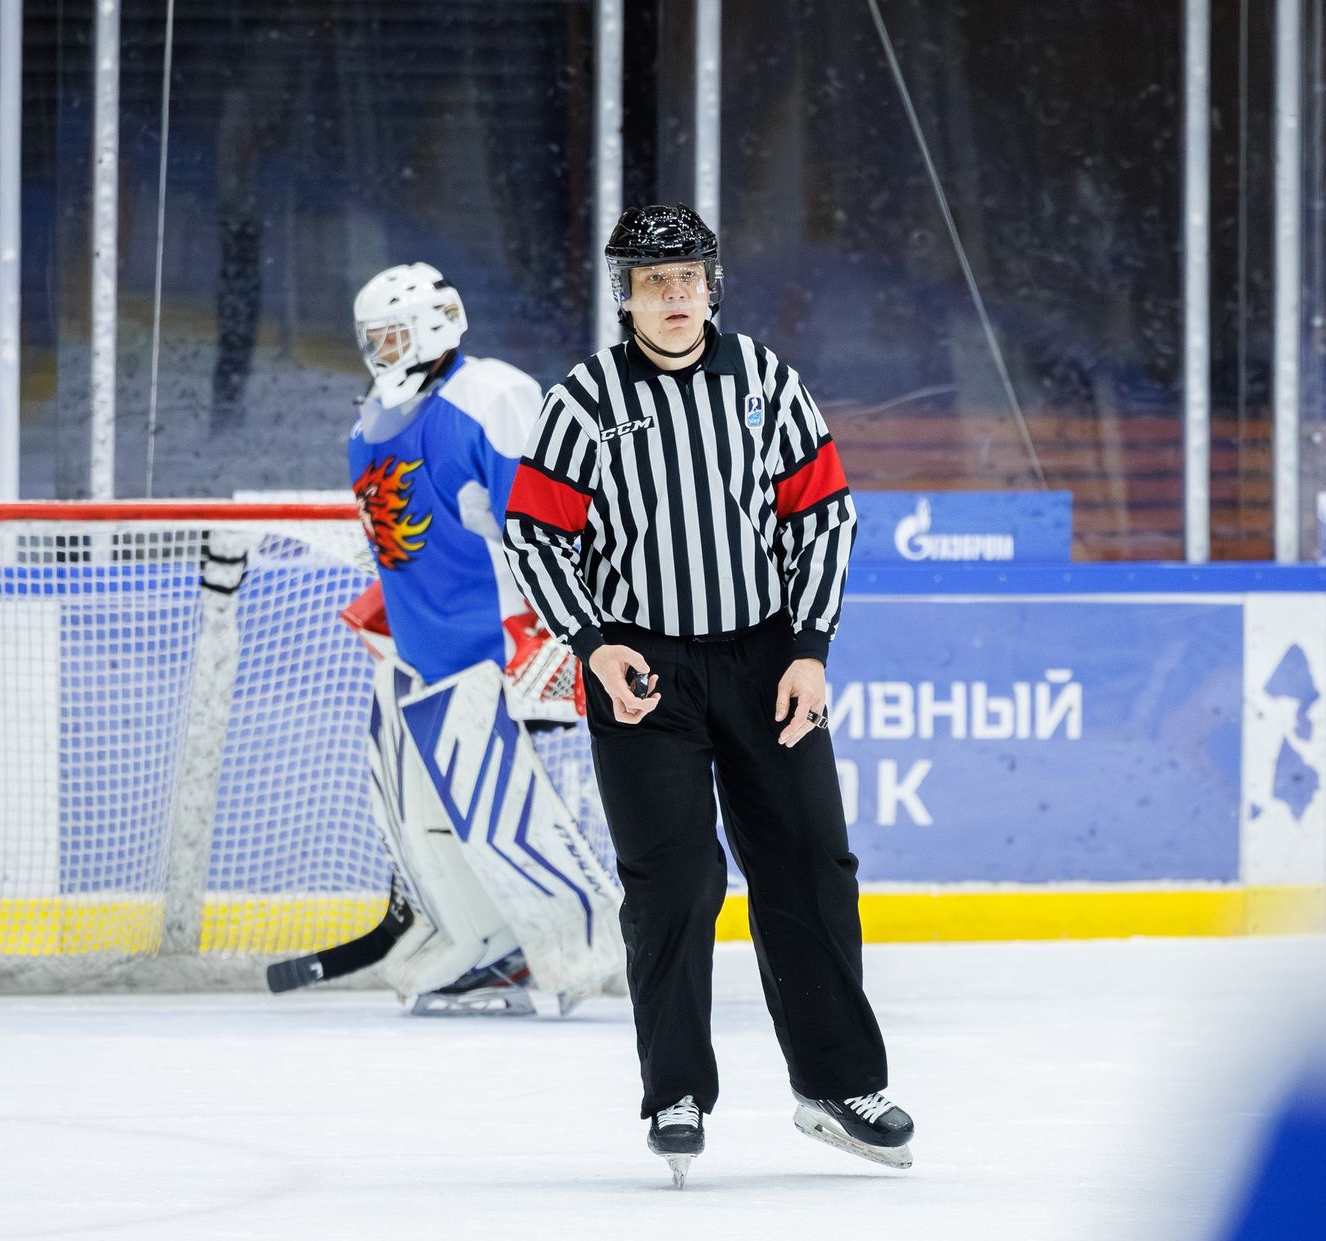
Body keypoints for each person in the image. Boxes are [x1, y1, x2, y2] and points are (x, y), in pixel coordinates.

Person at [502, 205, 913, 1185]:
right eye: (654, 282)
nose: (674, 296)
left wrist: (809, 649)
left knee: (810, 863)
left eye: (687, 277)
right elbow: (534, 532)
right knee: (676, 879)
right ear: (627, 297)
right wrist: (594, 645)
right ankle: (676, 1092)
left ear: (712, 285)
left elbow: (823, 517)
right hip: (644, 670)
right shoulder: (585, 402)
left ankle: (839, 1084)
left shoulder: (767, 383)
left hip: (767, 659)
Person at [339, 262, 625, 1016]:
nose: (378, 351)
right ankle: (489, 945)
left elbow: (547, 518)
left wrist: (559, 627)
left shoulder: (491, 394)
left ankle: (585, 949)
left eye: (391, 335)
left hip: (493, 649)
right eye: (372, 337)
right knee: (427, 823)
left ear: (435, 326)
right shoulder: (372, 418)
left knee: (506, 818)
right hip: (419, 655)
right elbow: (410, 536)